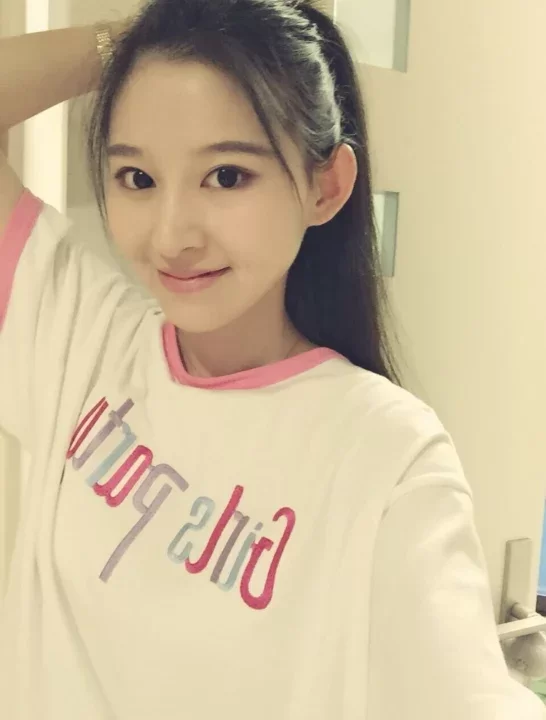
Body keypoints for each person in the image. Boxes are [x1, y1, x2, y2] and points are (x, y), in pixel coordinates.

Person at [0, 1, 543, 718]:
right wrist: (142, 36)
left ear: (326, 186)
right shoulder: (83, 335)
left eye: (226, 176)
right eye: (137, 178)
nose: (171, 236)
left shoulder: (388, 457)